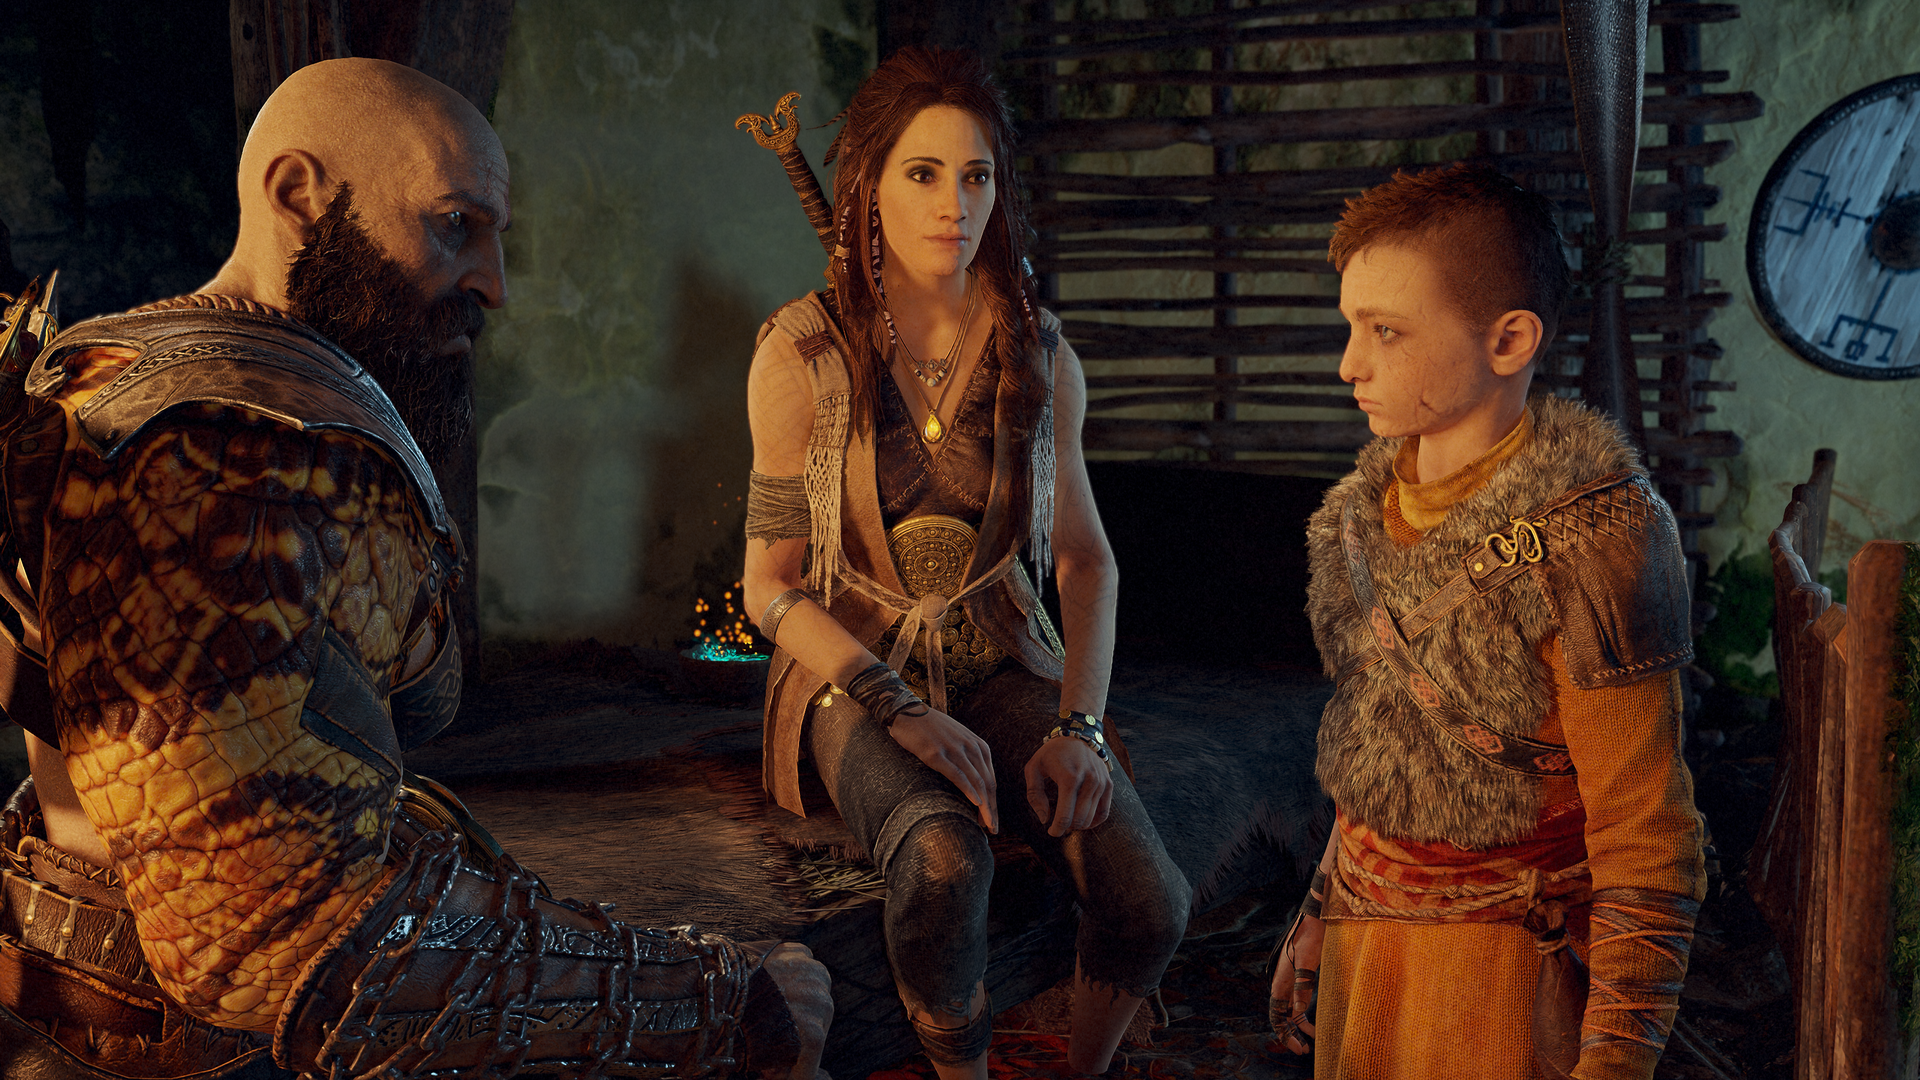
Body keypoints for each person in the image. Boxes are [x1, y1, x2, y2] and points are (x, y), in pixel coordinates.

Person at [0, 58, 829, 1080]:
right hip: (206, 1049)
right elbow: (275, 937)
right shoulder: (217, 452)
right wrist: (719, 1005)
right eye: (453, 225)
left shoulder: (130, 370)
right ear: (300, 194)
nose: (494, 284)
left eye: (494, 235)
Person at [741, 46, 1191, 1079]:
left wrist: (1080, 729)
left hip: (1002, 656)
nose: (956, 203)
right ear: (868, 188)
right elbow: (770, 585)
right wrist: (898, 707)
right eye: (924, 172)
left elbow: (1085, 564)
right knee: (945, 860)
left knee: (1149, 898)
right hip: (849, 671)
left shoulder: (1040, 354)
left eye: (977, 175)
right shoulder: (800, 353)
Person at [1263, 162, 1706, 1080]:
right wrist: (1321, 907)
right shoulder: (1359, 517)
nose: (1350, 364)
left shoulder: (1599, 540)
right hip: (1366, 947)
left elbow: (1646, 834)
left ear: (1508, 340)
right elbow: (1385, 737)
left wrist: (1615, 1062)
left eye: (1387, 331)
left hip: (1504, 978)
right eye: (1351, 326)